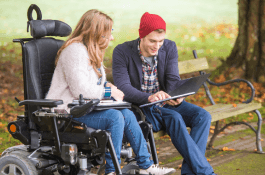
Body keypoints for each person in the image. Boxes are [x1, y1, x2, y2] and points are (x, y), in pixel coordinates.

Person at [46, 10, 176, 175]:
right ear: (97, 33)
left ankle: (146, 166)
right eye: (109, 33)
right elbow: (80, 89)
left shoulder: (90, 50)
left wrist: (110, 87)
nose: (112, 38)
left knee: (127, 114)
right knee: (115, 117)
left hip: (85, 107)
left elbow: (93, 82)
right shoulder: (75, 51)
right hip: (67, 111)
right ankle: (112, 171)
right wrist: (108, 91)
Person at [112, 12, 216, 175]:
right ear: (142, 36)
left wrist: (178, 94)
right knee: (174, 118)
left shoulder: (169, 47)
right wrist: (150, 97)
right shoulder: (122, 52)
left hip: (165, 103)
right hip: (142, 106)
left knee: (203, 116)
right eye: (152, 41)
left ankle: (189, 172)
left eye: (160, 41)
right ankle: (206, 173)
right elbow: (123, 88)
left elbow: (172, 80)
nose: (157, 46)